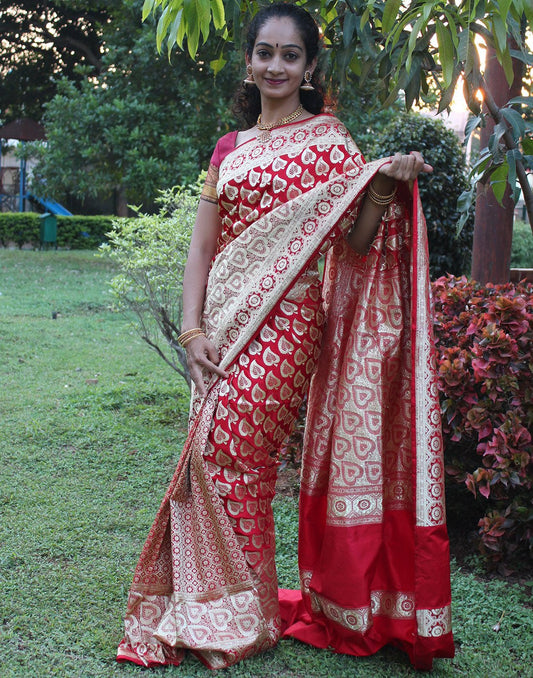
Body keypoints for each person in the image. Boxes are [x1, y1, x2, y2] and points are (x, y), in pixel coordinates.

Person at [117, 2, 454, 671]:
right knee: (203, 463)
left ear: (307, 66)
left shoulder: (329, 142)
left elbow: (354, 242)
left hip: (290, 323)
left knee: (237, 458)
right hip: (218, 322)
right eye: (264, 52)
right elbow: (202, 248)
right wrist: (189, 332)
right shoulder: (229, 148)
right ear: (249, 60)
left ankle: (239, 614)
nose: (274, 65)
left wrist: (384, 184)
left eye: (289, 54)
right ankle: (222, 604)